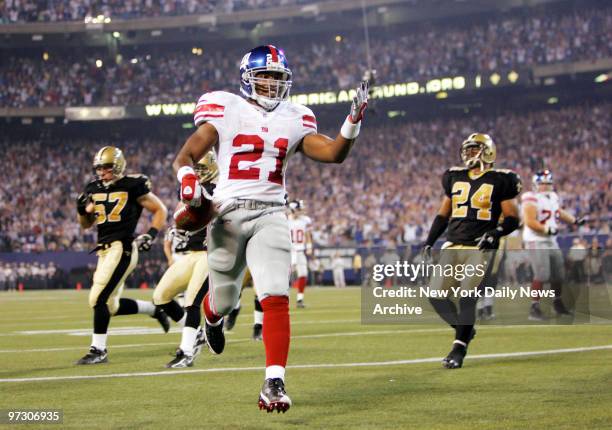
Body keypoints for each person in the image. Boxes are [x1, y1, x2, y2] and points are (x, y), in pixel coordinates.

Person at [173, 45, 368, 413]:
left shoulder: (296, 117)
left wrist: (351, 123)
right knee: (225, 299)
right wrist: (188, 184)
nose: (272, 83)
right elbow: (185, 157)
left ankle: (274, 382)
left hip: (272, 212)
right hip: (228, 213)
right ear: (249, 77)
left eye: (278, 77)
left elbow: (333, 154)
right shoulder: (225, 107)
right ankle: (211, 317)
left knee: (275, 293)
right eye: (266, 75)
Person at [422, 133, 521, 369]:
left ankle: (459, 348)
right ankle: (464, 330)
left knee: (468, 296)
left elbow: (512, 218)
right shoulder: (454, 177)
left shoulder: (501, 179)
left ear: (488, 151)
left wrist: (495, 233)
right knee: (435, 295)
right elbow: (443, 214)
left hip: (480, 246)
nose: (468, 153)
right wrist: (429, 240)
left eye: (474, 149)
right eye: (466, 149)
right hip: (453, 243)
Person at [75, 146, 168, 365]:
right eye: (99, 168)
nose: (101, 172)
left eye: (106, 167)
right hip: (104, 249)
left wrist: (151, 234)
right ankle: (153, 310)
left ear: (117, 166)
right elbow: (86, 225)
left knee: (98, 300)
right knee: (111, 306)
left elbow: (160, 209)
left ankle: (98, 350)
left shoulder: (132, 185)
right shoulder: (93, 188)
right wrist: (81, 211)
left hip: (122, 247)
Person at [152, 152, 218, 368]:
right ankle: (196, 333)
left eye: (200, 170)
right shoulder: (191, 191)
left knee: (191, 302)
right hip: (191, 254)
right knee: (160, 296)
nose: (197, 174)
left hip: (211, 254)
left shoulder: (222, 190)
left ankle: (186, 352)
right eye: (195, 170)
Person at [521, 169, 587, 320]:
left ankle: (557, 304)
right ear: (536, 184)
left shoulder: (553, 196)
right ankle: (534, 308)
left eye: (548, 183)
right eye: (543, 183)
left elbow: (558, 212)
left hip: (551, 240)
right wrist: (546, 229)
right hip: (535, 239)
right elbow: (529, 221)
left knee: (559, 275)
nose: (546, 186)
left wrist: (574, 220)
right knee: (542, 274)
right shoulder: (529, 197)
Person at [287, 199, 313, 308]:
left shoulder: (305, 220)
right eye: (298, 209)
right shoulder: (285, 220)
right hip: (288, 251)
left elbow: (308, 235)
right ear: (293, 209)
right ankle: (282, 299)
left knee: (303, 274)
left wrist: (309, 247)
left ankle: (300, 299)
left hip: (300, 250)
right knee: (284, 277)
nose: (301, 211)